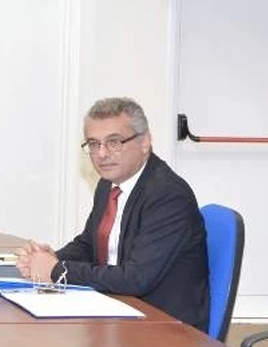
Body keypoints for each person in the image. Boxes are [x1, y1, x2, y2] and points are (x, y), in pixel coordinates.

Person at [15, 97, 209, 330]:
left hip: (164, 328)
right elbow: (89, 245)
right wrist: (49, 259)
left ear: (145, 142)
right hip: (119, 310)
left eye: (114, 142)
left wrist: (57, 270)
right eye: (93, 144)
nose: (101, 154)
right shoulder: (108, 184)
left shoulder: (167, 195)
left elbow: (136, 278)